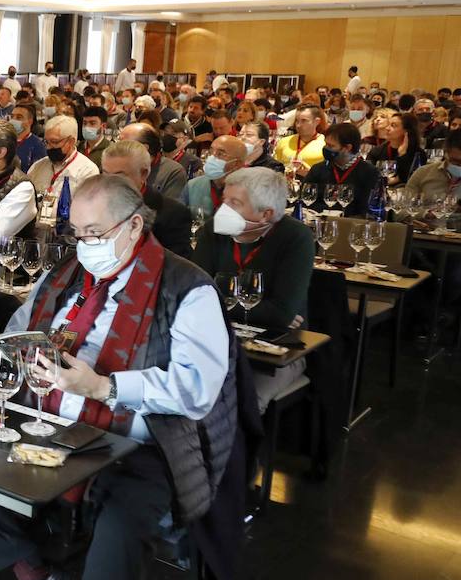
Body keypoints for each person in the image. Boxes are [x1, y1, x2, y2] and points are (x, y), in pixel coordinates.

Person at [0, 175, 232, 580]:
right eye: (77, 233)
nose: (84, 244)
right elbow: (21, 324)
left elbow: (198, 390)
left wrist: (106, 387)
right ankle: (36, 577)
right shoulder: (66, 274)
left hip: (134, 440)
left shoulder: (187, 287)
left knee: (119, 534)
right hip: (48, 420)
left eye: (95, 233)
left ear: (134, 226)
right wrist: (9, 351)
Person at [192, 167, 312, 410]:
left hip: (278, 348)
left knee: (242, 401)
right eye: (224, 199)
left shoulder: (296, 237)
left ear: (266, 214)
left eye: (234, 203)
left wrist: (218, 304)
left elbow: (280, 315)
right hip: (214, 340)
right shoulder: (214, 229)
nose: (223, 209)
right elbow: (193, 296)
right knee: (188, 389)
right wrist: (257, 310)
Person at [0, 114, 99, 241]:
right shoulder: (38, 167)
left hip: (65, 238)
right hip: (33, 236)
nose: (48, 147)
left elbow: (87, 215)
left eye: (54, 142)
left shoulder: (87, 170)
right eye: (46, 142)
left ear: (71, 141)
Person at [100, 140, 192, 257]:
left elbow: (175, 264)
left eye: (119, 176)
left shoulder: (172, 214)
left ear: (143, 174)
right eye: (106, 174)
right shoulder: (93, 206)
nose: (110, 182)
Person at [305, 122, 378, 218]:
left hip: (353, 223)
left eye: (331, 146)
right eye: (326, 144)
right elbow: (306, 198)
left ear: (347, 148)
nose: (326, 148)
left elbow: (367, 208)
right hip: (318, 219)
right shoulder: (318, 169)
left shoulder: (369, 172)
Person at [183, 135, 247, 219]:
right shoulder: (193, 185)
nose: (211, 158)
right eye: (210, 152)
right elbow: (179, 218)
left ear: (236, 164)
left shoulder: (248, 192)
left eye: (220, 154)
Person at [366, 112, 425, 184]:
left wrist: (402, 155)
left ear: (406, 131)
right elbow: (367, 176)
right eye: (388, 124)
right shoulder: (377, 151)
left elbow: (413, 179)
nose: (387, 128)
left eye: (393, 125)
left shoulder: (418, 154)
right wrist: (390, 181)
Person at [11, 103, 47, 171]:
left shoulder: (38, 146)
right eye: (12, 116)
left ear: (30, 121)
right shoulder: (5, 141)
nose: (13, 120)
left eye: (19, 117)